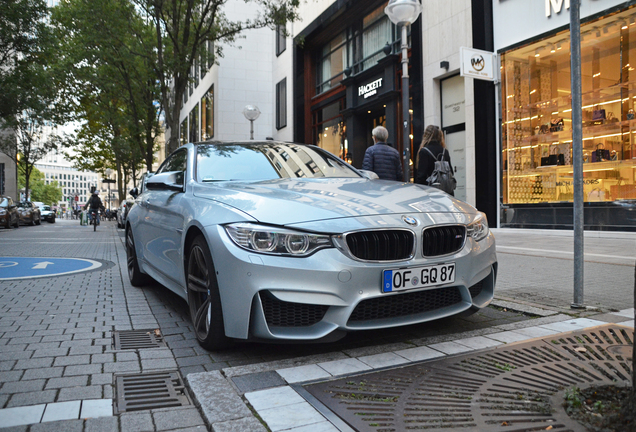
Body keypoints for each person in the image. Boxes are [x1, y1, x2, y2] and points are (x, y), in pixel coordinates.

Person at [415, 125, 454, 194]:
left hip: (431, 192)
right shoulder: (445, 151)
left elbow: (421, 177)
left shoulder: (424, 151)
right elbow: (451, 172)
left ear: (426, 135)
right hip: (446, 193)